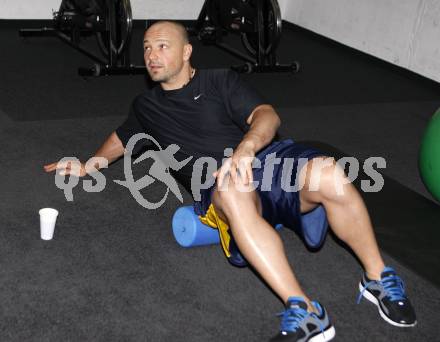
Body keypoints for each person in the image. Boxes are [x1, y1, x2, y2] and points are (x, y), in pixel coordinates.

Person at [44, 21, 416, 341]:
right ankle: (306, 312)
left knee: (330, 173)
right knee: (232, 189)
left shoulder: (220, 81)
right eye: (146, 48)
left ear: (187, 51)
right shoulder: (146, 106)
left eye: (162, 46)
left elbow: (266, 115)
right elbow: (122, 139)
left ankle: (377, 277)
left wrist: (246, 149)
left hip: (268, 163)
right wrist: (89, 165)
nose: (152, 55)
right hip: (220, 188)